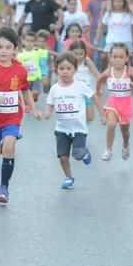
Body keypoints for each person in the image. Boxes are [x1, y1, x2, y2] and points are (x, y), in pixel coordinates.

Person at [0, 27, 42, 204]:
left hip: (12, 117)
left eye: (8, 47)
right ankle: (3, 142)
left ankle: (4, 188)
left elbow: (26, 90)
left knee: (9, 146)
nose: (3, 51)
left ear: (15, 49)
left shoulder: (20, 70)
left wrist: (34, 109)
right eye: (0, 47)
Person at [44, 52, 104, 189]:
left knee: (77, 155)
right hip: (61, 129)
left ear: (75, 70)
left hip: (78, 129)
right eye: (61, 69)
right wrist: (47, 113)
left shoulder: (80, 86)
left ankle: (84, 151)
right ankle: (69, 177)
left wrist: (102, 114)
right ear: (57, 70)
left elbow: (94, 97)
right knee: (63, 157)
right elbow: (50, 104)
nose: (65, 72)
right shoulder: (55, 89)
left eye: (68, 68)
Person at [96, 43, 133, 161]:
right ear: (110, 57)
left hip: (126, 105)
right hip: (112, 103)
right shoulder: (108, 71)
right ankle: (108, 150)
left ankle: (126, 145)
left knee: (125, 131)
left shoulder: (131, 71)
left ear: (127, 58)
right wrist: (99, 91)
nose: (117, 60)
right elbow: (100, 79)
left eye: (121, 57)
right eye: (114, 57)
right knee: (111, 124)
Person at [94, 0, 133, 71]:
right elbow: (101, 28)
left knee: (127, 67)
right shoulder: (108, 14)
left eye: (120, 1)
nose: (117, 4)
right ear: (112, 3)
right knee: (110, 66)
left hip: (126, 42)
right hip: (111, 42)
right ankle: (109, 81)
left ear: (124, 2)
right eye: (115, 1)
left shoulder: (130, 15)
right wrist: (96, 41)